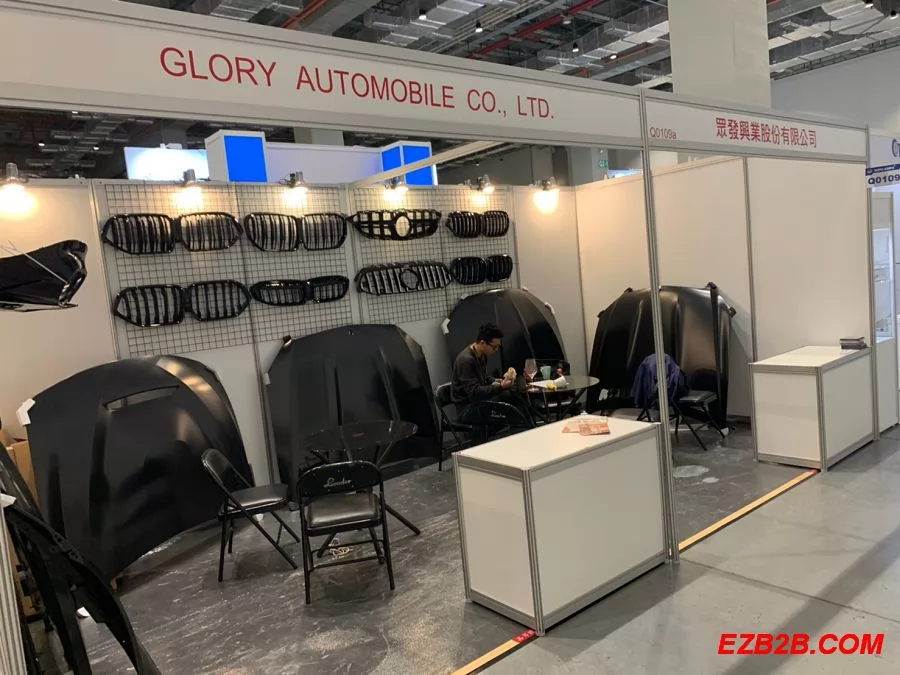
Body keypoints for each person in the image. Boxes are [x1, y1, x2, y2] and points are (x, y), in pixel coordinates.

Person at [451, 324, 529, 439]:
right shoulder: (466, 361)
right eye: (494, 347)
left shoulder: (482, 355)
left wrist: (497, 381)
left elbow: (484, 378)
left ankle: (522, 429)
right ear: (483, 343)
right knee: (508, 401)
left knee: (512, 397)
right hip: (467, 409)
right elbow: (474, 392)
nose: (496, 350)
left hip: (478, 403)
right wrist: (500, 387)